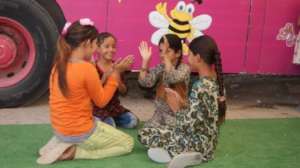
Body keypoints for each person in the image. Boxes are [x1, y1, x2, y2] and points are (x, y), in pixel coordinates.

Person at [37, 19, 134, 165]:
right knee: (128, 143)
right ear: (87, 43)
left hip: (59, 127)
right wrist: (115, 76)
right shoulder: (86, 68)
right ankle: (76, 152)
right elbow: (101, 102)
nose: (95, 49)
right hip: (80, 131)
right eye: (96, 44)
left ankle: (62, 139)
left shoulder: (58, 64)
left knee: (97, 122)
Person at [138, 35, 226, 168]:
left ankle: (187, 154)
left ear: (198, 58)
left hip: (197, 143)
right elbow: (200, 116)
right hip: (209, 142)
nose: (188, 57)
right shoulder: (216, 83)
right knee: (154, 131)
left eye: (189, 54)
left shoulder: (200, 86)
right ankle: (176, 151)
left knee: (145, 134)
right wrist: (181, 102)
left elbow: (188, 125)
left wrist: (176, 108)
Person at [138, 34, 191, 127]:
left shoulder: (184, 69)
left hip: (177, 114)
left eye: (167, 51)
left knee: (169, 131)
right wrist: (145, 62)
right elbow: (145, 83)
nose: (162, 55)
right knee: (146, 131)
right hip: (160, 114)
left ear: (178, 53)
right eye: (161, 51)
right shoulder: (161, 67)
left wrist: (166, 58)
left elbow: (172, 78)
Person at [93, 32, 139, 128]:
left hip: (114, 108)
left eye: (113, 47)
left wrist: (117, 73)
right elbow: (94, 93)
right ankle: (97, 119)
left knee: (132, 121)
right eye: (107, 46)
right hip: (98, 108)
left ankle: (108, 120)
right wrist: (105, 77)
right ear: (97, 48)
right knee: (110, 125)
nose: (111, 50)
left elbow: (123, 92)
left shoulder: (119, 66)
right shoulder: (92, 67)